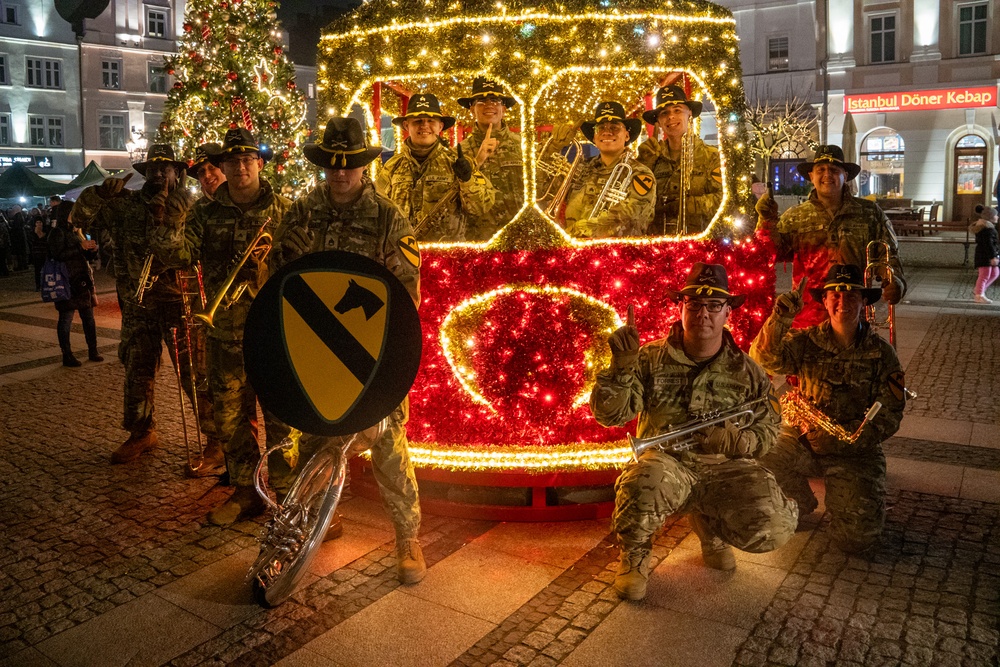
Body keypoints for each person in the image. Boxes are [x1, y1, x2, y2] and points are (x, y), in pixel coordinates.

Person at [272, 117, 426, 583]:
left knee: (388, 445)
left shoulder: (388, 218)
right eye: (333, 166)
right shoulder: (299, 213)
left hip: (372, 353)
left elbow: (407, 294)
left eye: (350, 165)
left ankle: (408, 538)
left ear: (364, 165)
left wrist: (393, 360)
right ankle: (315, 524)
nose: (341, 174)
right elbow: (279, 282)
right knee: (318, 437)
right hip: (316, 350)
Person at [591, 263, 797, 601]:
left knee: (772, 528)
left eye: (714, 305)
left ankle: (711, 526)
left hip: (726, 467)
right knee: (643, 481)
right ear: (680, 308)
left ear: (728, 312)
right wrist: (620, 367)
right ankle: (635, 555)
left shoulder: (748, 370)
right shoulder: (649, 358)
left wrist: (738, 441)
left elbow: (768, 429)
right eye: (694, 304)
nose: (704, 313)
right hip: (669, 463)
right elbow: (609, 415)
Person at [151, 128, 292, 525]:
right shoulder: (204, 212)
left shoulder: (284, 209)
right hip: (224, 332)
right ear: (223, 167)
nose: (241, 167)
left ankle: (286, 493)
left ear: (260, 164)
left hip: (274, 332)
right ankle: (247, 492)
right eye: (232, 161)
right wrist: (168, 215)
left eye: (248, 160)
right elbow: (176, 255)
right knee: (231, 419)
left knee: (281, 418)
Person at [73, 145, 214, 467]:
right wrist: (98, 194)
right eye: (153, 169)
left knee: (195, 375)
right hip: (139, 304)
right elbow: (78, 219)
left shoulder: (193, 207)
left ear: (178, 173)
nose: (159, 175)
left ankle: (215, 438)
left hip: (181, 303)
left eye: (166, 169)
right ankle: (141, 432)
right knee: (137, 370)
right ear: (145, 173)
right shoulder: (126, 207)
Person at [750, 265, 905, 553]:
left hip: (854, 450)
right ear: (824, 300)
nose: (842, 302)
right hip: (805, 441)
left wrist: (861, 437)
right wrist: (781, 317)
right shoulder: (807, 341)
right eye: (834, 294)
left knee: (859, 540)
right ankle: (798, 502)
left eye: (851, 295)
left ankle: (849, 498)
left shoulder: (881, 352)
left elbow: (892, 409)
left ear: (863, 301)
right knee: (761, 454)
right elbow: (763, 358)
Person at [755, 145, 906, 328]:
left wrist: (896, 282)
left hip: (852, 316)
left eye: (834, 170)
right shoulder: (795, 216)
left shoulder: (870, 213)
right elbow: (768, 254)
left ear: (846, 176)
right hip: (807, 319)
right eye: (821, 170)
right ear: (812, 176)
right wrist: (767, 221)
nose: (827, 175)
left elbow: (888, 256)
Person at [375, 93, 495, 242]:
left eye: (430, 121)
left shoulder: (458, 163)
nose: (424, 126)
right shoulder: (392, 167)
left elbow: (481, 207)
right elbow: (377, 208)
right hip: (402, 255)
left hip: (447, 257)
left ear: (440, 126)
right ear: (407, 125)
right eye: (417, 121)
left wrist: (467, 179)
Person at [636, 85, 722, 235]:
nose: (671, 117)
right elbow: (635, 203)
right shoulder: (651, 157)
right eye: (664, 113)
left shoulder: (712, 157)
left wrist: (686, 205)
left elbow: (723, 200)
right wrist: (643, 164)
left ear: (689, 113)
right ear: (658, 121)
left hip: (699, 245)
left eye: (677, 110)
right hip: (658, 245)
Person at [561, 101, 655, 238]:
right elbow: (544, 191)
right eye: (601, 128)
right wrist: (553, 147)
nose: (607, 132)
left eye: (614, 128)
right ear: (594, 136)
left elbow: (630, 216)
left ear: (627, 135)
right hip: (575, 251)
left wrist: (577, 231)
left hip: (620, 254)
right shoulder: (581, 168)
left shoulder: (641, 174)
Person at [457, 78, 523, 240]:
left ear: (504, 108)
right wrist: (477, 161)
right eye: (481, 101)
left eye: (495, 100)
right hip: (479, 239)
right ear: (472, 109)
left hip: (520, 236)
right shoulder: (459, 152)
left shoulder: (524, 146)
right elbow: (455, 196)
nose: (489, 105)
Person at [47, 202, 103, 367]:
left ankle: (93, 350)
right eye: (73, 212)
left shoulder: (78, 231)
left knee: (89, 318)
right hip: (66, 281)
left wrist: (91, 250)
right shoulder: (57, 233)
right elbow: (58, 255)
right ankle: (67, 354)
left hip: (81, 281)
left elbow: (84, 257)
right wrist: (80, 247)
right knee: (66, 319)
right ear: (66, 213)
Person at [969, 204, 999, 304]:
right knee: (984, 275)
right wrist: (992, 257)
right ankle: (979, 295)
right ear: (990, 217)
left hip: (988, 255)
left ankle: (979, 290)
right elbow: (988, 244)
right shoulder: (986, 229)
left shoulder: (989, 228)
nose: (997, 217)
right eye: (996, 215)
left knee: (995, 273)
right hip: (984, 256)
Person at [29, 215, 49, 290]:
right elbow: (32, 241)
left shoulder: (46, 231)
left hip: (44, 252)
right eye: (37, 222)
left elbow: (46, 240)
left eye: (40, 222)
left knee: (46, 269)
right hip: (37, 253)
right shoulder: (32, 232)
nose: (39, 224)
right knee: (37, 270)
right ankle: (38, 285)